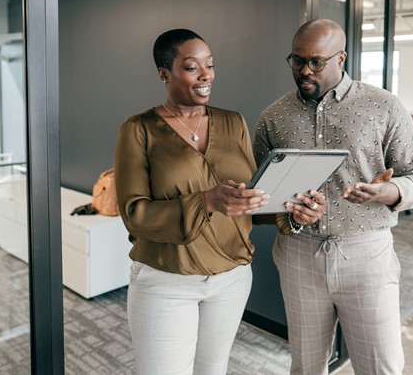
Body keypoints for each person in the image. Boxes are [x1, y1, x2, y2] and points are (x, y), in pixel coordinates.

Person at [115, 28, 316, 375]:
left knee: (212, 369)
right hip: (167, 280)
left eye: (210, 65)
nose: (206, 74)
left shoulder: (233, 121)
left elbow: (250, 203)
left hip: (232, 278)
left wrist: (293, 213)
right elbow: (135, 215)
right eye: (192, 67)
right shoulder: (139, 129)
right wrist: (206, 201)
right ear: (165, 74)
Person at [253, 19, 413, 375]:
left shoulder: (383, 106)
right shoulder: (273, 116)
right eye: (297, 60)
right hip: (298, 256)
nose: (305, 71)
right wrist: (290, 215)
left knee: (380, 366)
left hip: (366, 254)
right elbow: (259, 197)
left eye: (316, 62)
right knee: (306, 367)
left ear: (342, 58)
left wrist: (390, 191)